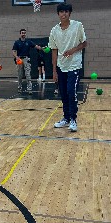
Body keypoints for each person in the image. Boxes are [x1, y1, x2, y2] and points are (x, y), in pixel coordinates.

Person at [49, 3, 87, 132]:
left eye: (66, 11)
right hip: (61, 66)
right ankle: (65, 118)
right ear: (58, 14)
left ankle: (73, 119)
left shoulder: (77, 26)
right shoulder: (54, 30)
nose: (63, 14)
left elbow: (84, 43)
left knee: (71, 92)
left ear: (69, 13)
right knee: (64, 93)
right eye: (61, 12)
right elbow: (54, 50)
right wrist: (54, 71)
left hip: (74, 65)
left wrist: (73, 50)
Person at [12, 29, 43, 94]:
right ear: (20, 34)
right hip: (19, 59)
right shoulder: (17, 42)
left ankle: (29, 89)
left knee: (28, 74)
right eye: (22, 33)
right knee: (20, 75)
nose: (23, 34)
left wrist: (42, 48)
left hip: (26, 59)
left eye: (24, 33)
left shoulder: (28, 42)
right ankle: (19, 88)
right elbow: (13, 51)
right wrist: (17, 57)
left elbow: (36, 46)